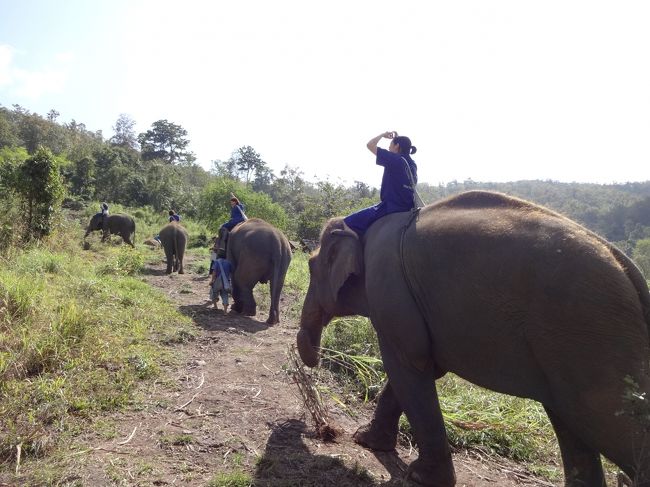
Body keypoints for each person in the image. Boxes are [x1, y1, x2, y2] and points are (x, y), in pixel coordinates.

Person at [343, 131, 418, 236]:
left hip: (391, 207)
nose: (388, 149)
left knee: (347, 222)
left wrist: (383, 135)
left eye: (390, 146)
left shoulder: (394, 159)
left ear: (397, 146)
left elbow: (370, 145)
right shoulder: (413, 165)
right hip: (408, 207)